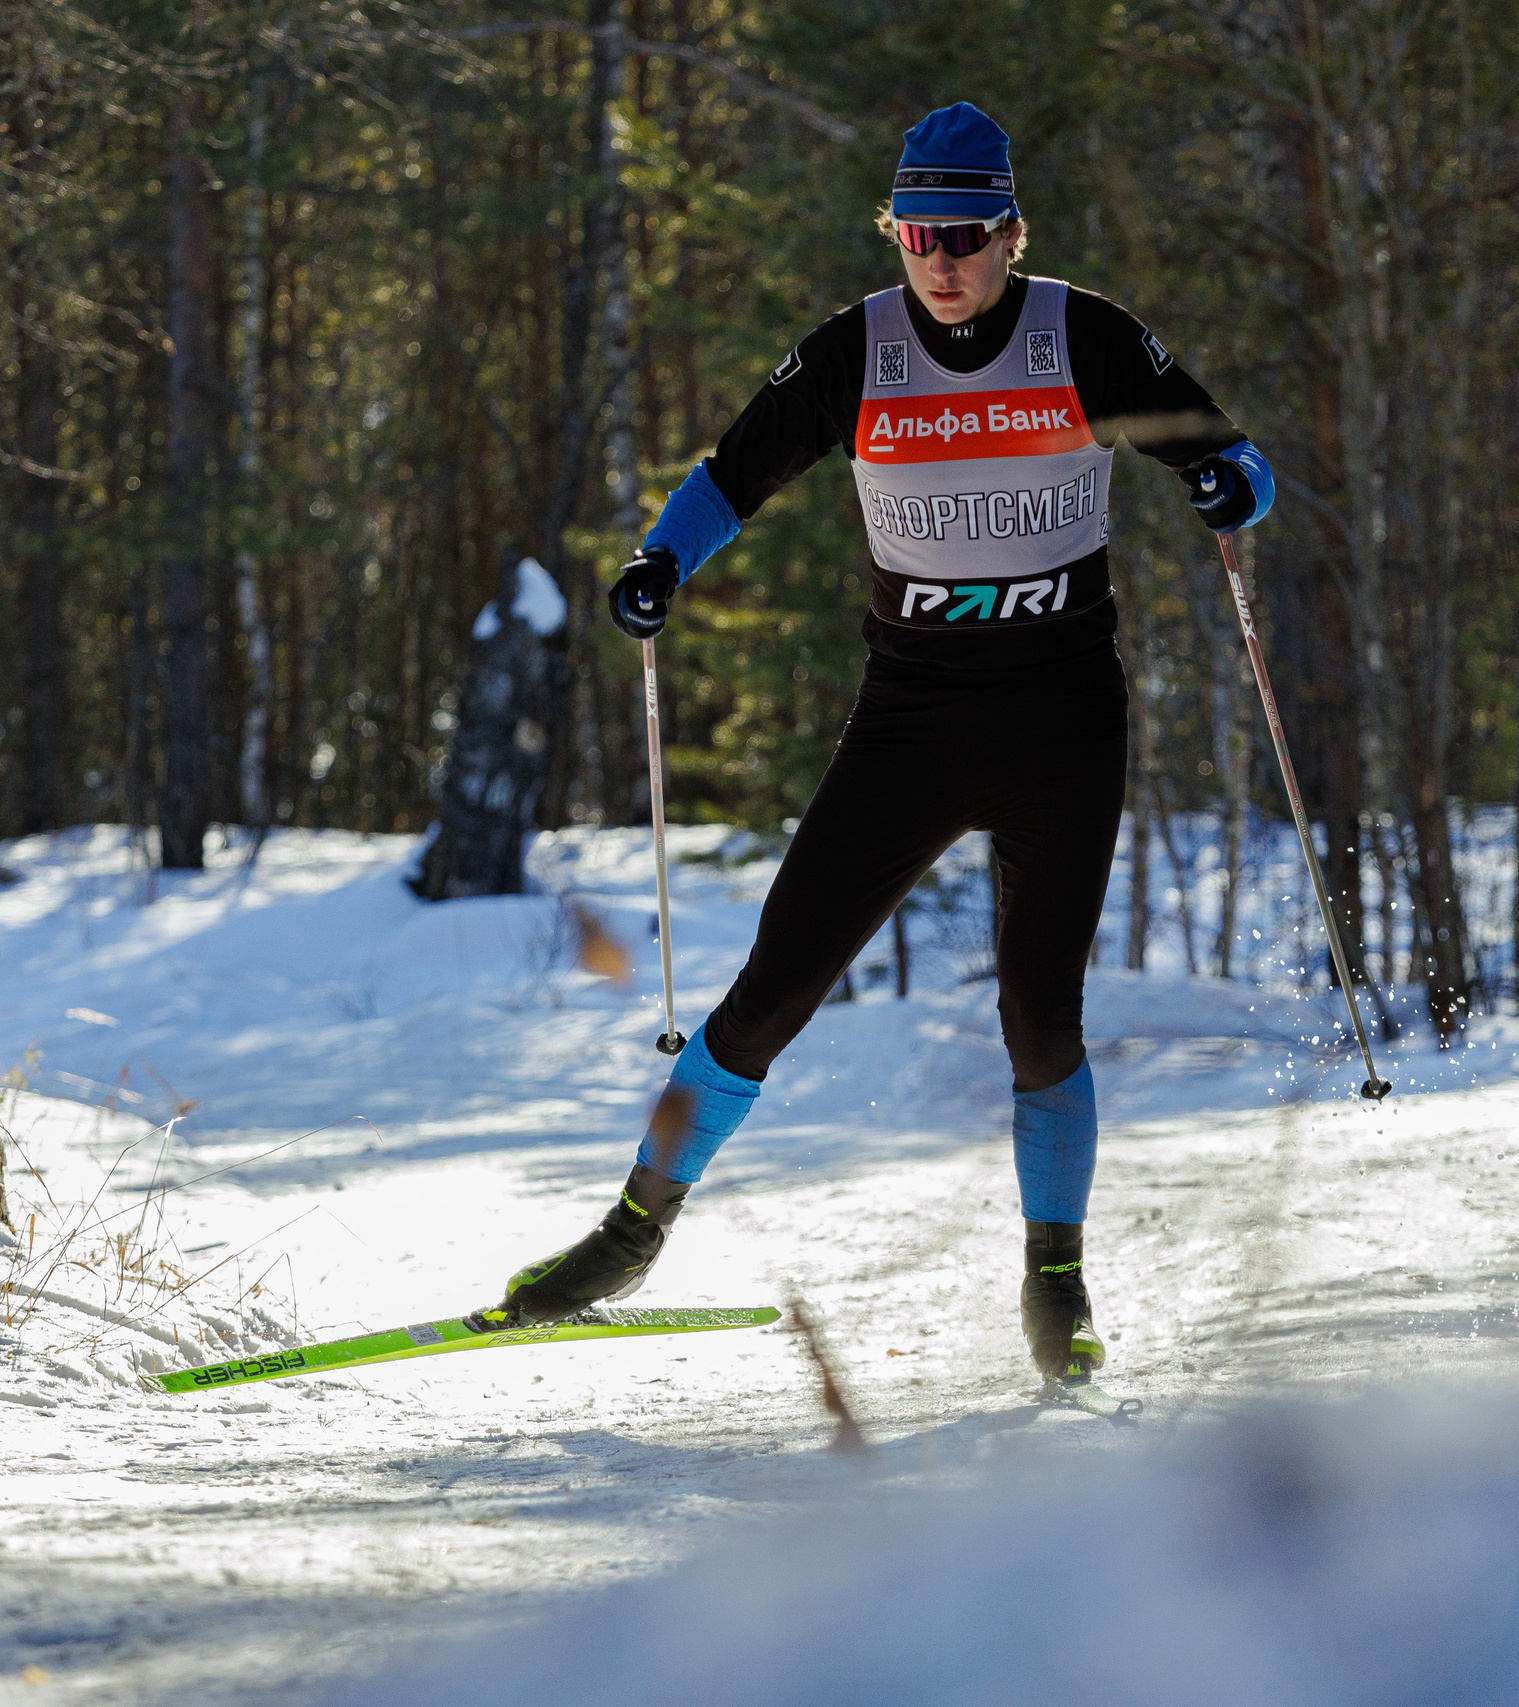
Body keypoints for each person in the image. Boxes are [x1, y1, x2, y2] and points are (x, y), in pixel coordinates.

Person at [470, 102, 1275, 1388]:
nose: (939, 259)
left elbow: (1229, 455)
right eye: (915, 233)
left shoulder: (1087, 334)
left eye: (963, 233)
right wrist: (660, 563)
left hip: (1062, 717)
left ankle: (1054, 1278)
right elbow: (733, 472)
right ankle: (628, 1235)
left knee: (1039, 1016)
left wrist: (1230, 482)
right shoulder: (860, 350)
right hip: (911, 720)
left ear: (1011, 233)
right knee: (769, 993)